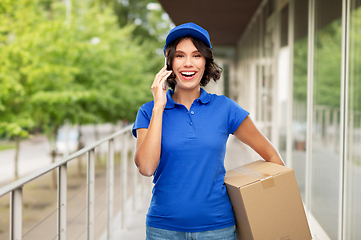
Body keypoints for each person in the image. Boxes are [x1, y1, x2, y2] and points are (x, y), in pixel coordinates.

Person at [132, 22, 284, 240]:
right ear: (169, 64)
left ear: (206, 62)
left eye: (196, 55)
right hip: (163, 230)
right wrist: (159, 106)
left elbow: (271, 156)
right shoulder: (148, 112)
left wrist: (271, 207)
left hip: (217, 229)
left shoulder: (226, 108)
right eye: (180, 56)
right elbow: (146, 167)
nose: (188, 63)